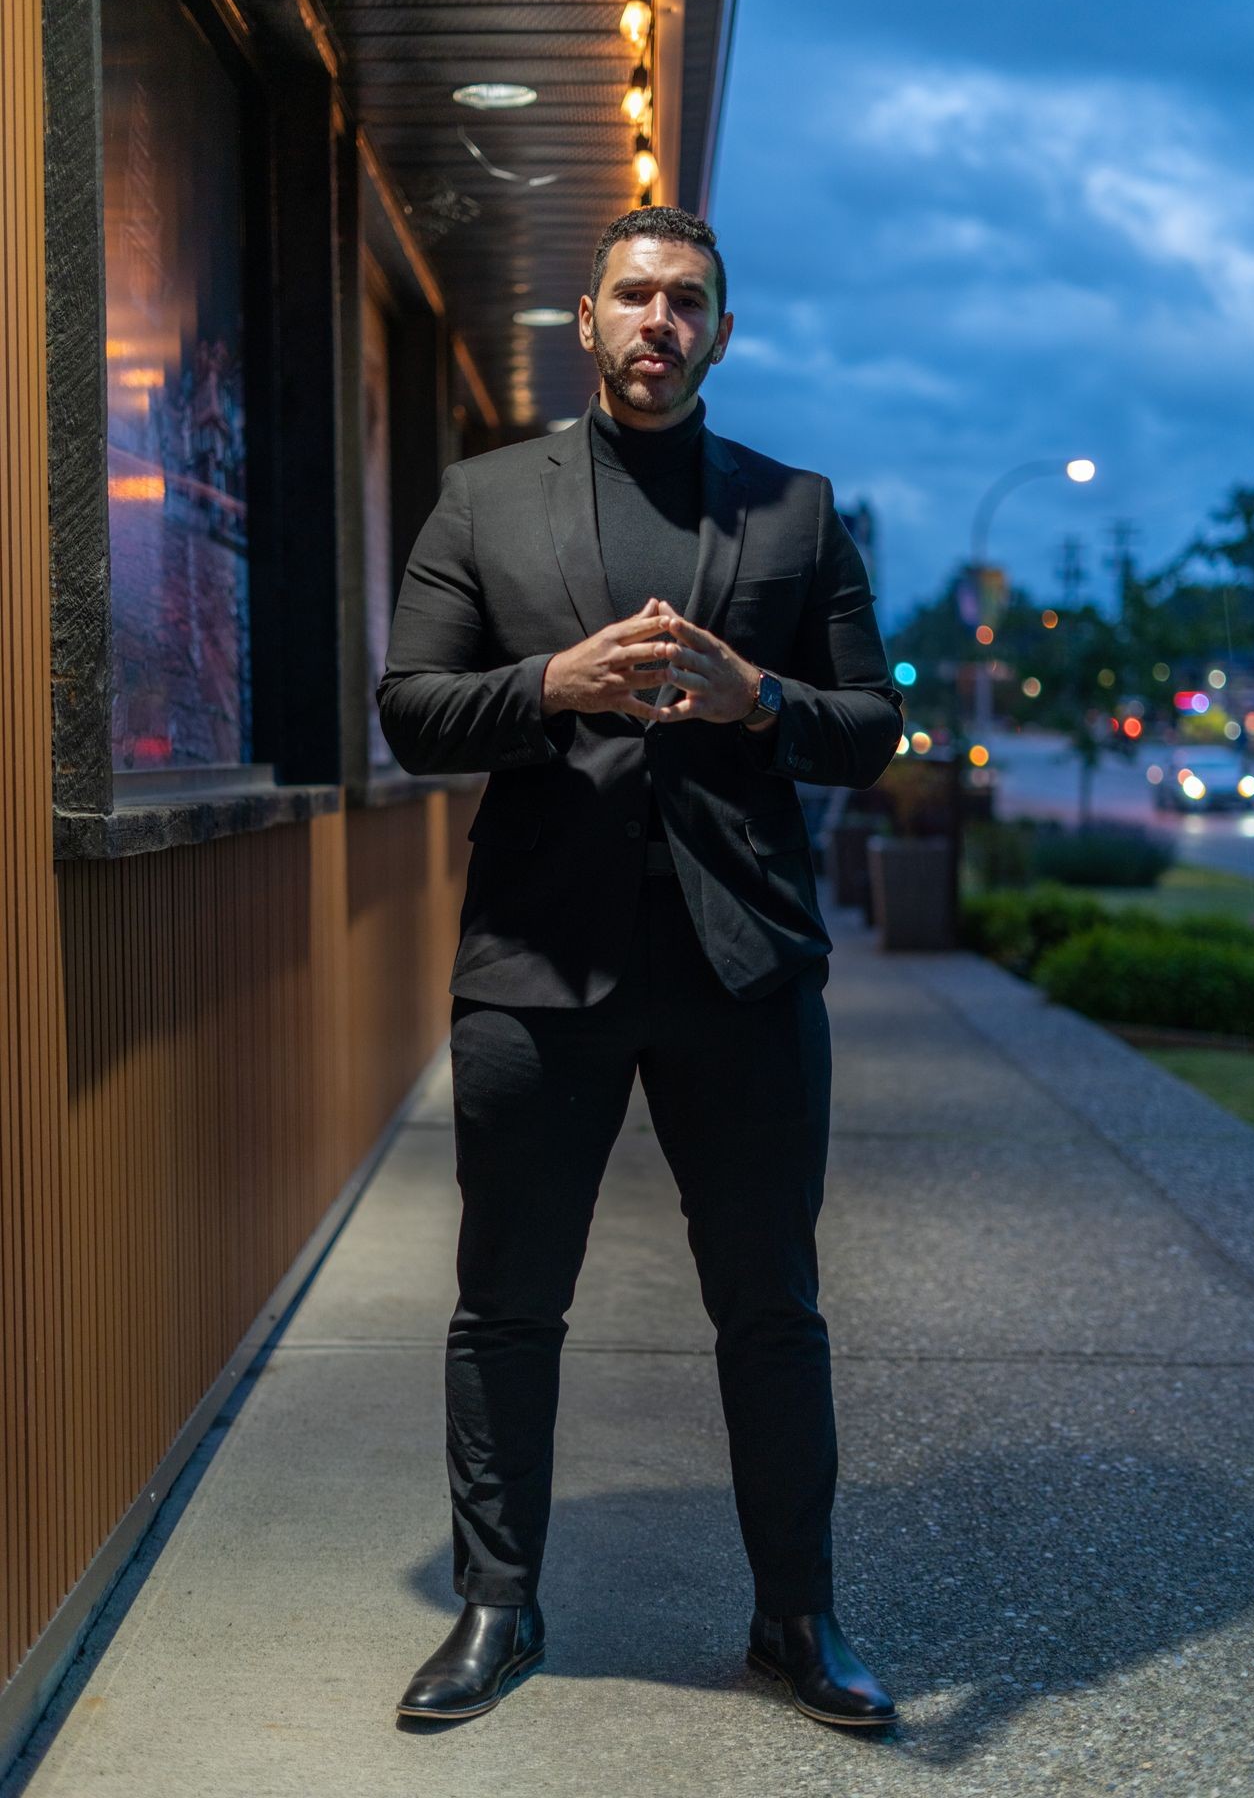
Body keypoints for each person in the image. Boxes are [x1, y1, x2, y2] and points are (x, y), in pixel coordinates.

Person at [376, 206, 904, 1729]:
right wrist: (552, 683)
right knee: (506, 1303)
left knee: (771, 1306)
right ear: (586, 321)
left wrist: (756, 702)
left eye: (688, 302)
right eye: (635, 296)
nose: (659, 322)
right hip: (539, 968)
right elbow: (410, 710)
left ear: (721, 334)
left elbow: (871, 728)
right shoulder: (483, 499)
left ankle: (797, 1620)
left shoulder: (794, 511)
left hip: (743, 972)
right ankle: (497, 1604)